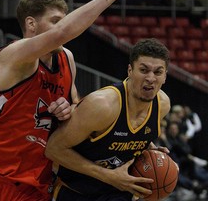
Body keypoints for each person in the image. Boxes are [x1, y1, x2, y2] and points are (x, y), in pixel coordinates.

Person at [0, 0, 134, 200]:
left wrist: (69, 109)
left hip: (37, 184)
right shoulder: (12, 56)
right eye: (56, 20)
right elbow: (62, 33)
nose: (64, 26)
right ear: (31, 23)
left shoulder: (67, 59)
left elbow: (75, 108)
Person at [45, 38, 171, 201]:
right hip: (77, 192)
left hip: (118, 193)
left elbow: (125, 137)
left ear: (165, 76)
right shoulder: (102, 105)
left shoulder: (163, 105)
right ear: (130, 71)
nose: (151, 78)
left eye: (158, 72)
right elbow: (53, 149)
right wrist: (108, 176)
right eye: (144, 70)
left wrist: (146, 148)